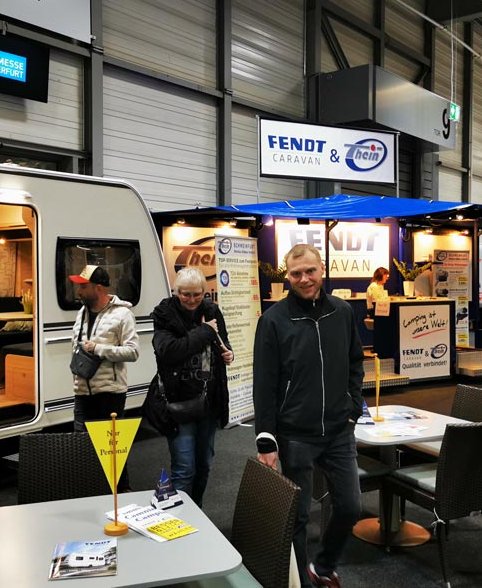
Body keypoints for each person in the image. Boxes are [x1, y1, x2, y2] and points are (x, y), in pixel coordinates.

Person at [253, 244, 363, 588]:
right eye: (296, 273)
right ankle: (300, 581)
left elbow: (355, 362)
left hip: (338, 430)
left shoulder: (342, 312)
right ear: (288, 276)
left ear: (322, 269)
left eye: (310, 271)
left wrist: (354, 407)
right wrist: (266, 438)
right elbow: (265, 383)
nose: (304, 279)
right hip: (295, 434)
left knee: (350, 507)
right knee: (298, 518)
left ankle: (323, 567)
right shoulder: (273, 320)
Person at [151, 267, 233, 506]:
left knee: (204, 465)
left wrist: (228, 353)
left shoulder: (211, 310)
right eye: (185, 294)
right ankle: (180, 518)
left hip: (210, 401)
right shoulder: (164, 314)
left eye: (197, 294)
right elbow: (168, 352)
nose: (191, 299)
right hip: (178, 403)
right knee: (184, 469)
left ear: (204, 292)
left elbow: (222, 342)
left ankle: (196, 513)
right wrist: (204, 331)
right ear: (176, 292)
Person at [69, 265, 140, 431]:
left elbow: (133, 352)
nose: (79, 291)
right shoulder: (82, 312)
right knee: (81, 442)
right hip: (81, 393)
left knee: (108, 446)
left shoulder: (123, 314)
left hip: (110, 395)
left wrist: (98, 349)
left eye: (83, 286)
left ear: (98, 288)